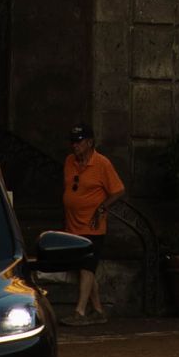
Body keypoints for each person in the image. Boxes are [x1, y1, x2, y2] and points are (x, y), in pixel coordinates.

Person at [63, 123, 125, 323]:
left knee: (87, 267)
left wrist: (102, 207)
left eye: (79, 142)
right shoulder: (69, 161)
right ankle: (98, 310)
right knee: (84, 267)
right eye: (73, 142)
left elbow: (118, 190)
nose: (75, 146)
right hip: (73, 225)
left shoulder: (102, 163)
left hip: (92, 226)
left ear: (90, 142)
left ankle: (80, 311)